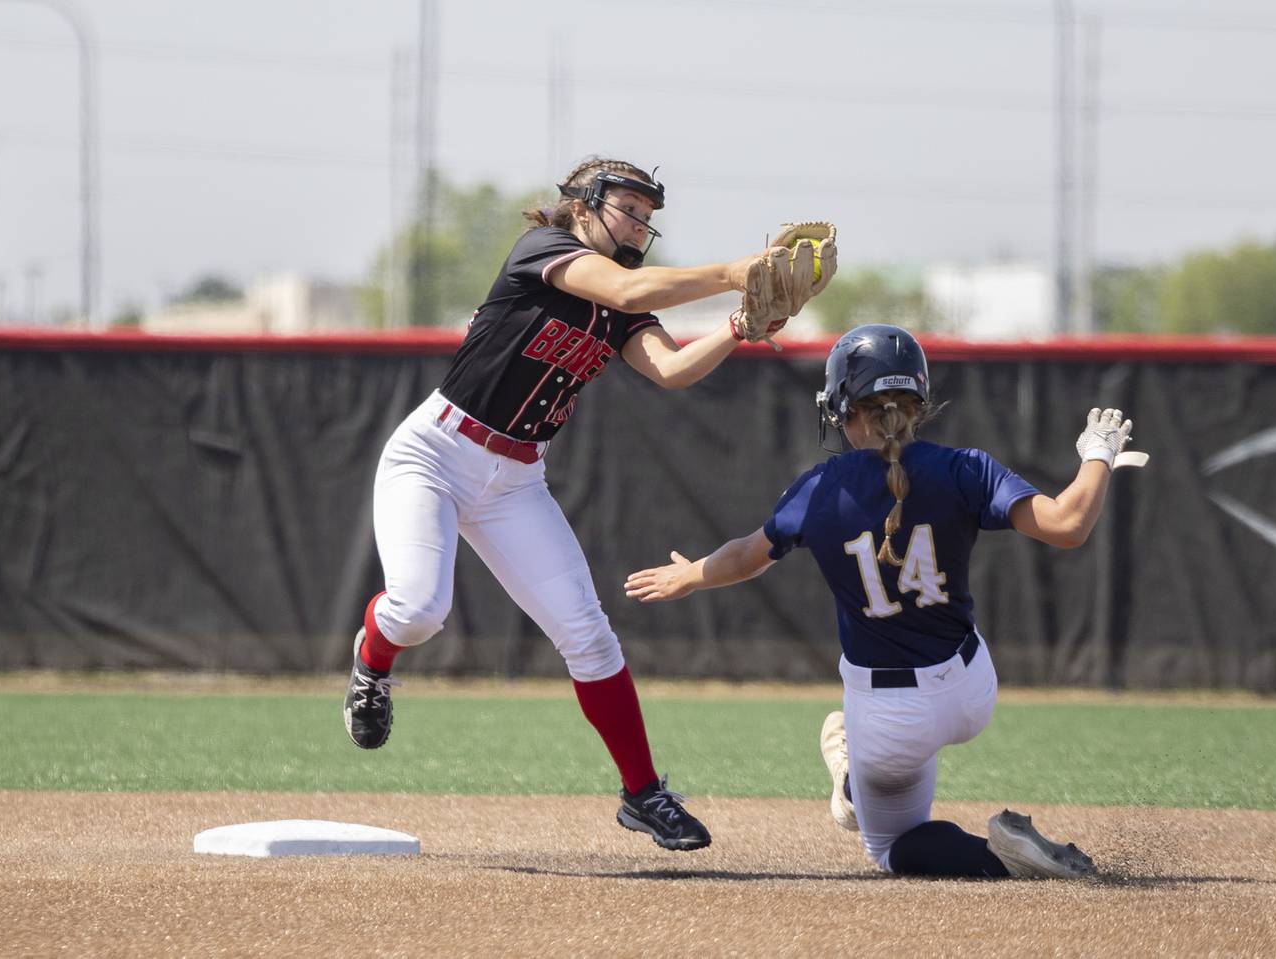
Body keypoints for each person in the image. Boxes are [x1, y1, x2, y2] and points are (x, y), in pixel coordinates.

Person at [344, 157, 820, 853]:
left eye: (647, 218)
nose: (638, 224)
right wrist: (733, 270)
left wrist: (737, 325)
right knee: (419, 609)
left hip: (516, 481)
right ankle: (373, 656)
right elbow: (627, 285)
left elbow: (671, 368)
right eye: (628, 208)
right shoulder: (545, 251)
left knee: (589, 635)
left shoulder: (626, 301)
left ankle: (643, 792)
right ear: (581, 205)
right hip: (436, 456)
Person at [624, 324, 1144, 877]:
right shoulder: (966, 467)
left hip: (890, 715)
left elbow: (747, 557)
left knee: (892, 845)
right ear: (918, 403)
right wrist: (1098, 455)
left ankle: (1003, 858)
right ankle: (856, 778)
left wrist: (692, 576)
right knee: (884, 763)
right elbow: (1068, 525)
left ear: (842, 408)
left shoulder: (821, 487)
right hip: (972, 688)